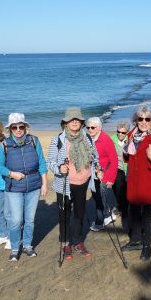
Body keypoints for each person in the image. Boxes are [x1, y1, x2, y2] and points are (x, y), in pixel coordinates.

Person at [47, 107, 100, 260]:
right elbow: (50, 161)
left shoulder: (87, 138)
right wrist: (59, 167)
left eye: (77, 119)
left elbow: (95, 157)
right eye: (71, 119)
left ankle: (77, 241)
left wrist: (98, 168)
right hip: (64, 184)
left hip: (83, 182)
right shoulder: (58, 140)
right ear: (66, 123)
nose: (75, 121)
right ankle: (66, 243)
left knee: (79, 213)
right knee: (64, 215)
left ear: (81, 122)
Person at [122, 106, 151, 261]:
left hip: (148, 184)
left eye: (147, 119)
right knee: (133, 213)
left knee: (146, 216)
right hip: (134, 183)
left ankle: (147, 247)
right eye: (140, 119)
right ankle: (135, 241)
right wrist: (126, 153)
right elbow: (128, 158)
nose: (143, 122)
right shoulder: (132, 135)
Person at [3, 113, 47, 262]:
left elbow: (42, 163)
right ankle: (15, 248)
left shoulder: (34, 141)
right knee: (16, 220)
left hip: (34, 186)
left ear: (25, 127)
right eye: (14, 127)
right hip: (14, 187)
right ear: (10, 129)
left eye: (21, 126)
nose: (18, 130)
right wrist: (11, 174)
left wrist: (45, 184)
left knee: (29, 219)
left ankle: (28, 245)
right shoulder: (5, 144)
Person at [87, 117, 118, 232]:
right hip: (93, 173)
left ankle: (100, 222)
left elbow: (114, 160)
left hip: (104, 174)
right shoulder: (89, 138)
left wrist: (110, 178)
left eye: (93, 127)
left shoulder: (105, 140)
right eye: (88, 127)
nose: (90, 129)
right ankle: (108, 214)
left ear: (99, 128)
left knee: (99, 198)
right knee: (96, 196)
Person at [110, 121, 130, 220]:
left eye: (123, 132)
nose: (120, 134)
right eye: (119, 132)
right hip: (115, 168)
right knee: (116, 190)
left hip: (126, 169)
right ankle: (121, 206)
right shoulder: (112, 139)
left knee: (123, 190)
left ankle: (124, 210)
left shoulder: (130, 140)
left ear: (127, 132)